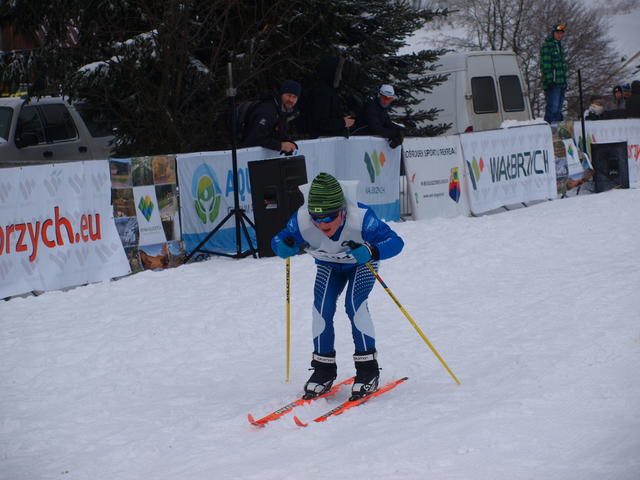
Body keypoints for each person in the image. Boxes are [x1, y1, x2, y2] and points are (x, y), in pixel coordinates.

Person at [271, 172, 404, 401]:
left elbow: (396, 242)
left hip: (362, 264)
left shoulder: (361, 218)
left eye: (329, 217)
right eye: (316, 217)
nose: (322, 224)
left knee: (354, 305)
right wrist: (281, 247)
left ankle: (367, 370)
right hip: (329, 265)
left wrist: (372, 250)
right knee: (321, 308)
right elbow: (278, 239)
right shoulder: (301, 220)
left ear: (342, 211)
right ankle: (323, 370)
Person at [298, 56, 355, 138]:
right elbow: (320, 122)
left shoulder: (329, 90)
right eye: (338, 73)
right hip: (319, 141)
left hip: (326, 140)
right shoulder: (322, 92)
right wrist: (343, 123)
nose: (340, 77)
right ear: (331, 72)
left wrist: (343, 123)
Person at [241, 80, 301, 154]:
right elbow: (254, 138)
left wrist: (288, 142)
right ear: (281, 94)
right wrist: (280, 146)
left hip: (261, 156)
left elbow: (278, 133)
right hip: (246, 154)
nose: (291, 100)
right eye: (288, 95)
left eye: (294, 97)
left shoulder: (283, 110)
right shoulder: (267, 111)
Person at [353, 84, 404, 148]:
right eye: (384, 98)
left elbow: (388, 124)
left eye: (389, 99)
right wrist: (394, 133)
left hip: (366, 142)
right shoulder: (371, 107)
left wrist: (400, 131)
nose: (386, 102)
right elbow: (376, 129)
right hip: (357, 140)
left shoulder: (382, 109)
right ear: (379, 96)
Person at [540, 24, 568, 123]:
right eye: (557, 33)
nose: (560, 35)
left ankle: (558, 126)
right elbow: (545, 64)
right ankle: (550, 125)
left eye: (561, 33)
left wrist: (564, 81)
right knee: (553, 107)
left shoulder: (559, 46)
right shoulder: (547, 46)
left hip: (561, 82)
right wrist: (549, 80)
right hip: (553, 82)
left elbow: (562, 66)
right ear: (553, 33)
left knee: (559, 107)